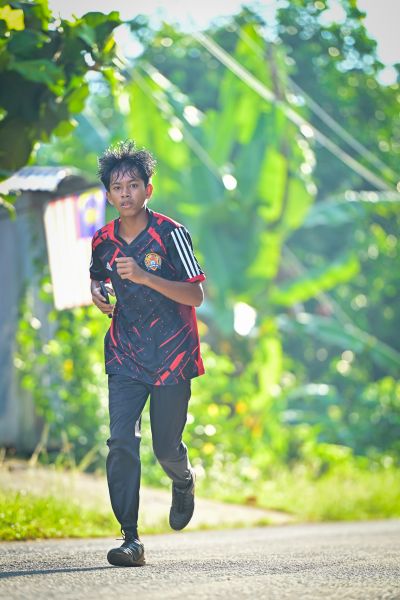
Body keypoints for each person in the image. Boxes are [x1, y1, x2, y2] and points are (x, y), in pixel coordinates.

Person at [89, 140, 206, 567]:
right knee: (121, 441)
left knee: (165, 448)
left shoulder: (171, 234)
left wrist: (143, 276)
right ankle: (130, 539)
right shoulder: (103, 240)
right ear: (108, 195)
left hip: (172, 356)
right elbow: (99, 276)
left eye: (133, 185)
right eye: (117, 187)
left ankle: (183, 479)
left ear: (148, 190)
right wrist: (98, 292)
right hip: (125, 354)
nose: (125, 193)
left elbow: (195, 296)